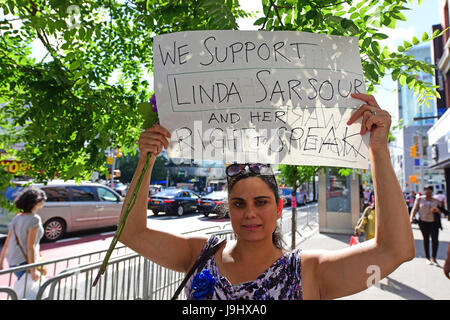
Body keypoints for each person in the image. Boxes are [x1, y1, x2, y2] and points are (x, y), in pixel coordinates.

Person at [119, 93, 415, 300]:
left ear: (278, 208)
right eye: (239, 203)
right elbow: (131, 233)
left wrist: (378, 149)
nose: (249, 213)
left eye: (261, 202)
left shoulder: (308, 273)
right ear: (228, 209)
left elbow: (395, 251)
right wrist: (147, 159)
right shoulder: (199, 255)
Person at [0, 187, 46, 282]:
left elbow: (7, 243)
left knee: (24, 287)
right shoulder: (34, 219)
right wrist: (33, 270)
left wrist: (1, 262)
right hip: (24, 262)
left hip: (13, 261)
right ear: (36, 202)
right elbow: (30, 246)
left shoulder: (16, 218)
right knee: (29, 291)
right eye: (43, 199)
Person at [410, 186, 442, 266]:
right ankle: (428, 258)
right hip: (423, 222)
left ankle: (434, 258)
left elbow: (442, 211)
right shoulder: (420, 199)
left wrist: (437, 210)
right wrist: (411, 217)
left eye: (429, 192)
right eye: (426, 192)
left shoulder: (437, 200)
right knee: (426, 239)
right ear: (424, 192)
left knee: (435, 240)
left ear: (432, 192)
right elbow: (415, 209)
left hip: (434, 223)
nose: (428, 194)